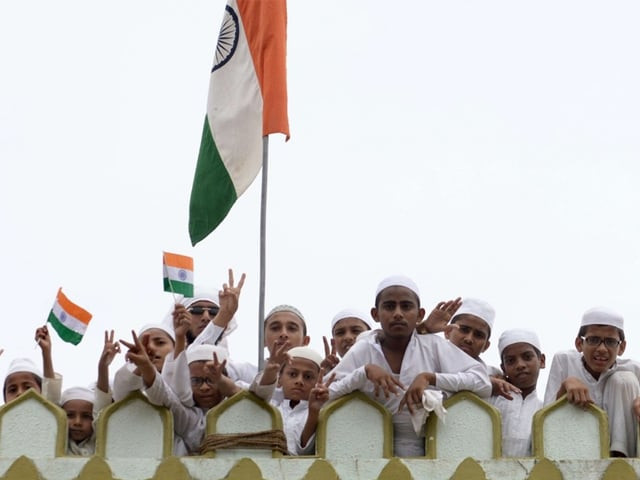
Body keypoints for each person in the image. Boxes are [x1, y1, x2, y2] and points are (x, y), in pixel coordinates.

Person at [329, 275, 492, 456]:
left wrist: (431, 378)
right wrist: (363, 372)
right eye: (389, 306)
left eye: (406, 306)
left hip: (432, 453)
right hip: (368, 453)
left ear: (420, 314)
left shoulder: (432, 345)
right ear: (375, 314)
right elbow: (325, 395)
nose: (398, 313)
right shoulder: (364, 349)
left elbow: (482, 382)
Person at [544, 306, 640, 457]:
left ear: (621, 347)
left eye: (610, 341)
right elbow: (546, 418)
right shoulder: (564, 361)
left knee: (624, 380)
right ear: (579, 344)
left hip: (626, 461)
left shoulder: (634, 369)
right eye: (593, 340)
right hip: (574, 454)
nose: (602, 349)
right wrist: (566, 385)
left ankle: (620, 458)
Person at [251, 345, 333, 455]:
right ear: (279, 378)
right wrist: (270, 371)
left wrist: (313, 412)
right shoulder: (271, 407)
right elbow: (257, 393)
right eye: (293, 374)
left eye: (308, 377)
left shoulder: (321, 413)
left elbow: (304, 452)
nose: (299, 381)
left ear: (318, 381)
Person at [59, 330, 120, 455]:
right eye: (69, 415)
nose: (77, 422)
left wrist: (103, 367)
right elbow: (50, 398)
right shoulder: (56, 444)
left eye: (87, 416)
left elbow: (102, 404)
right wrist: (46, 353)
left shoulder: (97, 443)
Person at [489, 329, 545, 457]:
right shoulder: (491, 401)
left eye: (527, 357)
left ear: (541, 361)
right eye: (511, 360)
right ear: (503, 368)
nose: (520, 365)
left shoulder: (545, 408)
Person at [113, 323, 175, 402]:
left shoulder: (189, 379)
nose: (150, 348)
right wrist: (141, 366)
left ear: (175, 347)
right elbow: (120, 396)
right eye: (143, 346)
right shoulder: (133, 383)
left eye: (160, 343)